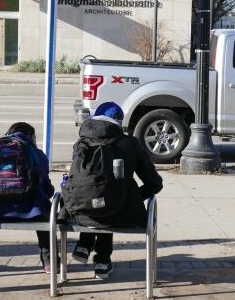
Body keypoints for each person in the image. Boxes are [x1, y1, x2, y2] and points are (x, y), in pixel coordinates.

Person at [63, 102, 163, 279]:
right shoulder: (130, 143)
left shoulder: (81, 143)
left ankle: (84, 245)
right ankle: (102, 262)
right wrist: (132, 196)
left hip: (79, 212)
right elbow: (155, 183)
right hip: (121, 214)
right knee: (113, 200)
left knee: (101, 199)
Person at [0, 122, 55, 273]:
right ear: (31, 136)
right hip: (28, 208)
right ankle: (49, 263)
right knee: (45, 216)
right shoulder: (35, 152)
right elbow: (45, 183)